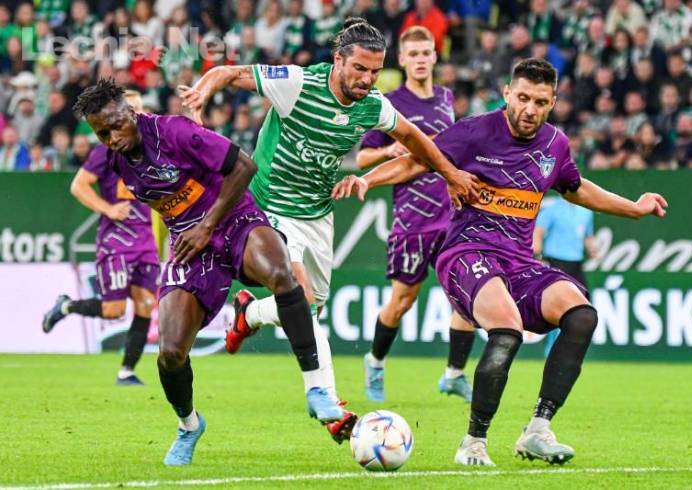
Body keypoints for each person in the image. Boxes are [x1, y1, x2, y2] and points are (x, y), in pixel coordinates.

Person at [332, 58, 667, 466]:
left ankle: (538, 430)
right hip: (466, 252)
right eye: (522, 97)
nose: (529, 109)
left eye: (540, 102)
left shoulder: (555, 144)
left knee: (581, 315)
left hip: (518, 262)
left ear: (553, 102)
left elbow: (575, 188)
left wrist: (633, 207)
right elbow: (418, 159)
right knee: (506, 329)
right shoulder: (475, 132)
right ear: (507, 93)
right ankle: (473, 443)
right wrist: (367, 178)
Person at [178, 18, 479, 442]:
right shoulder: (297, 83)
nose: (367, 79)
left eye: (375, 72)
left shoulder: (373, 105)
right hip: (269, 205)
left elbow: (413, 137)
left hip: (317, 213)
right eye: (360, 69)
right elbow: (229, 72)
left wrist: (450, 173)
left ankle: (251, 313)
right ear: (338, 60)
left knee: (309, 308)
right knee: (299, 294)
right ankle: (326, 399)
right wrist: (202, 92)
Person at [72, 78, 346, 466]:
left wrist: (206, 226)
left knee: (283, 277)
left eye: (116, 125)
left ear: (132, 112)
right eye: (103, 134)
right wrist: (185, 236)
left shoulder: (174, 131)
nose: (112, 138)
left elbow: (245, 166)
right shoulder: (114, 160)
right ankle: (188, 425)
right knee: (170, 353)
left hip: (234, 219)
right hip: (190, 246)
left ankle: (317, 389)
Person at [356, 26, 475, 403]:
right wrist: (386, 152)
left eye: (427, 53)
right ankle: (375, 361)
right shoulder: (390, 102)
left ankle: (454, 374)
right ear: (403, 60)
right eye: (414, 54)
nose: (421, 60)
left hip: (452, 215)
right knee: (403, 301)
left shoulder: (446, 98)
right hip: (412, 219)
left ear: (435, 57)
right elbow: (362, 157)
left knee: (470, 294)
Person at [42, 91, 159, 386]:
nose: (136, 114)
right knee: (113, 310)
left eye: (140, 108)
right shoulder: (107, 148)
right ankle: (66, 306)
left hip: (145, 240)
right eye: (131, 109)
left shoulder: (153, 146)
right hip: (117, 241)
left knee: (145, 303)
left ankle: (126, 371)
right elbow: (78, 185)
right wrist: (108, 208)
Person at [533, 197, 596, 357]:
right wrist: (539, 257)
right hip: (556, 262)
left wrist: (592, 249)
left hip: (575, 263)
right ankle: (551, 349)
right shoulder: (552, 208)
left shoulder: (586, 211)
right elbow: (538, 232)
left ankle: (571, 350)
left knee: (584, 306)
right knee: (557, 307)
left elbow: (587, 235)